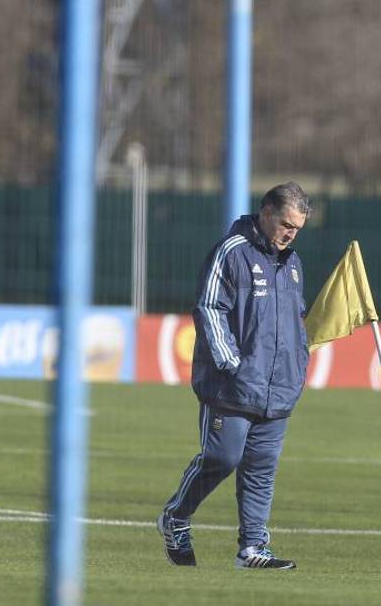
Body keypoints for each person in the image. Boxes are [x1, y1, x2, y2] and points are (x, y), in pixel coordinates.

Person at [157, 182, 312, 570]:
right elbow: (209, 308)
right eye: (286, 224)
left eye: (298, 228)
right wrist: (232, 363)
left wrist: (297, 363)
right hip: (232, 386)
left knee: (261, 471)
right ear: (266, 213)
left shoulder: (292, 263)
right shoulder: (230, 252)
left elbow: (296, 321)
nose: (291, 233)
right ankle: (176, 516)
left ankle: (253, 547)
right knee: (222, 458)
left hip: (278, 389)